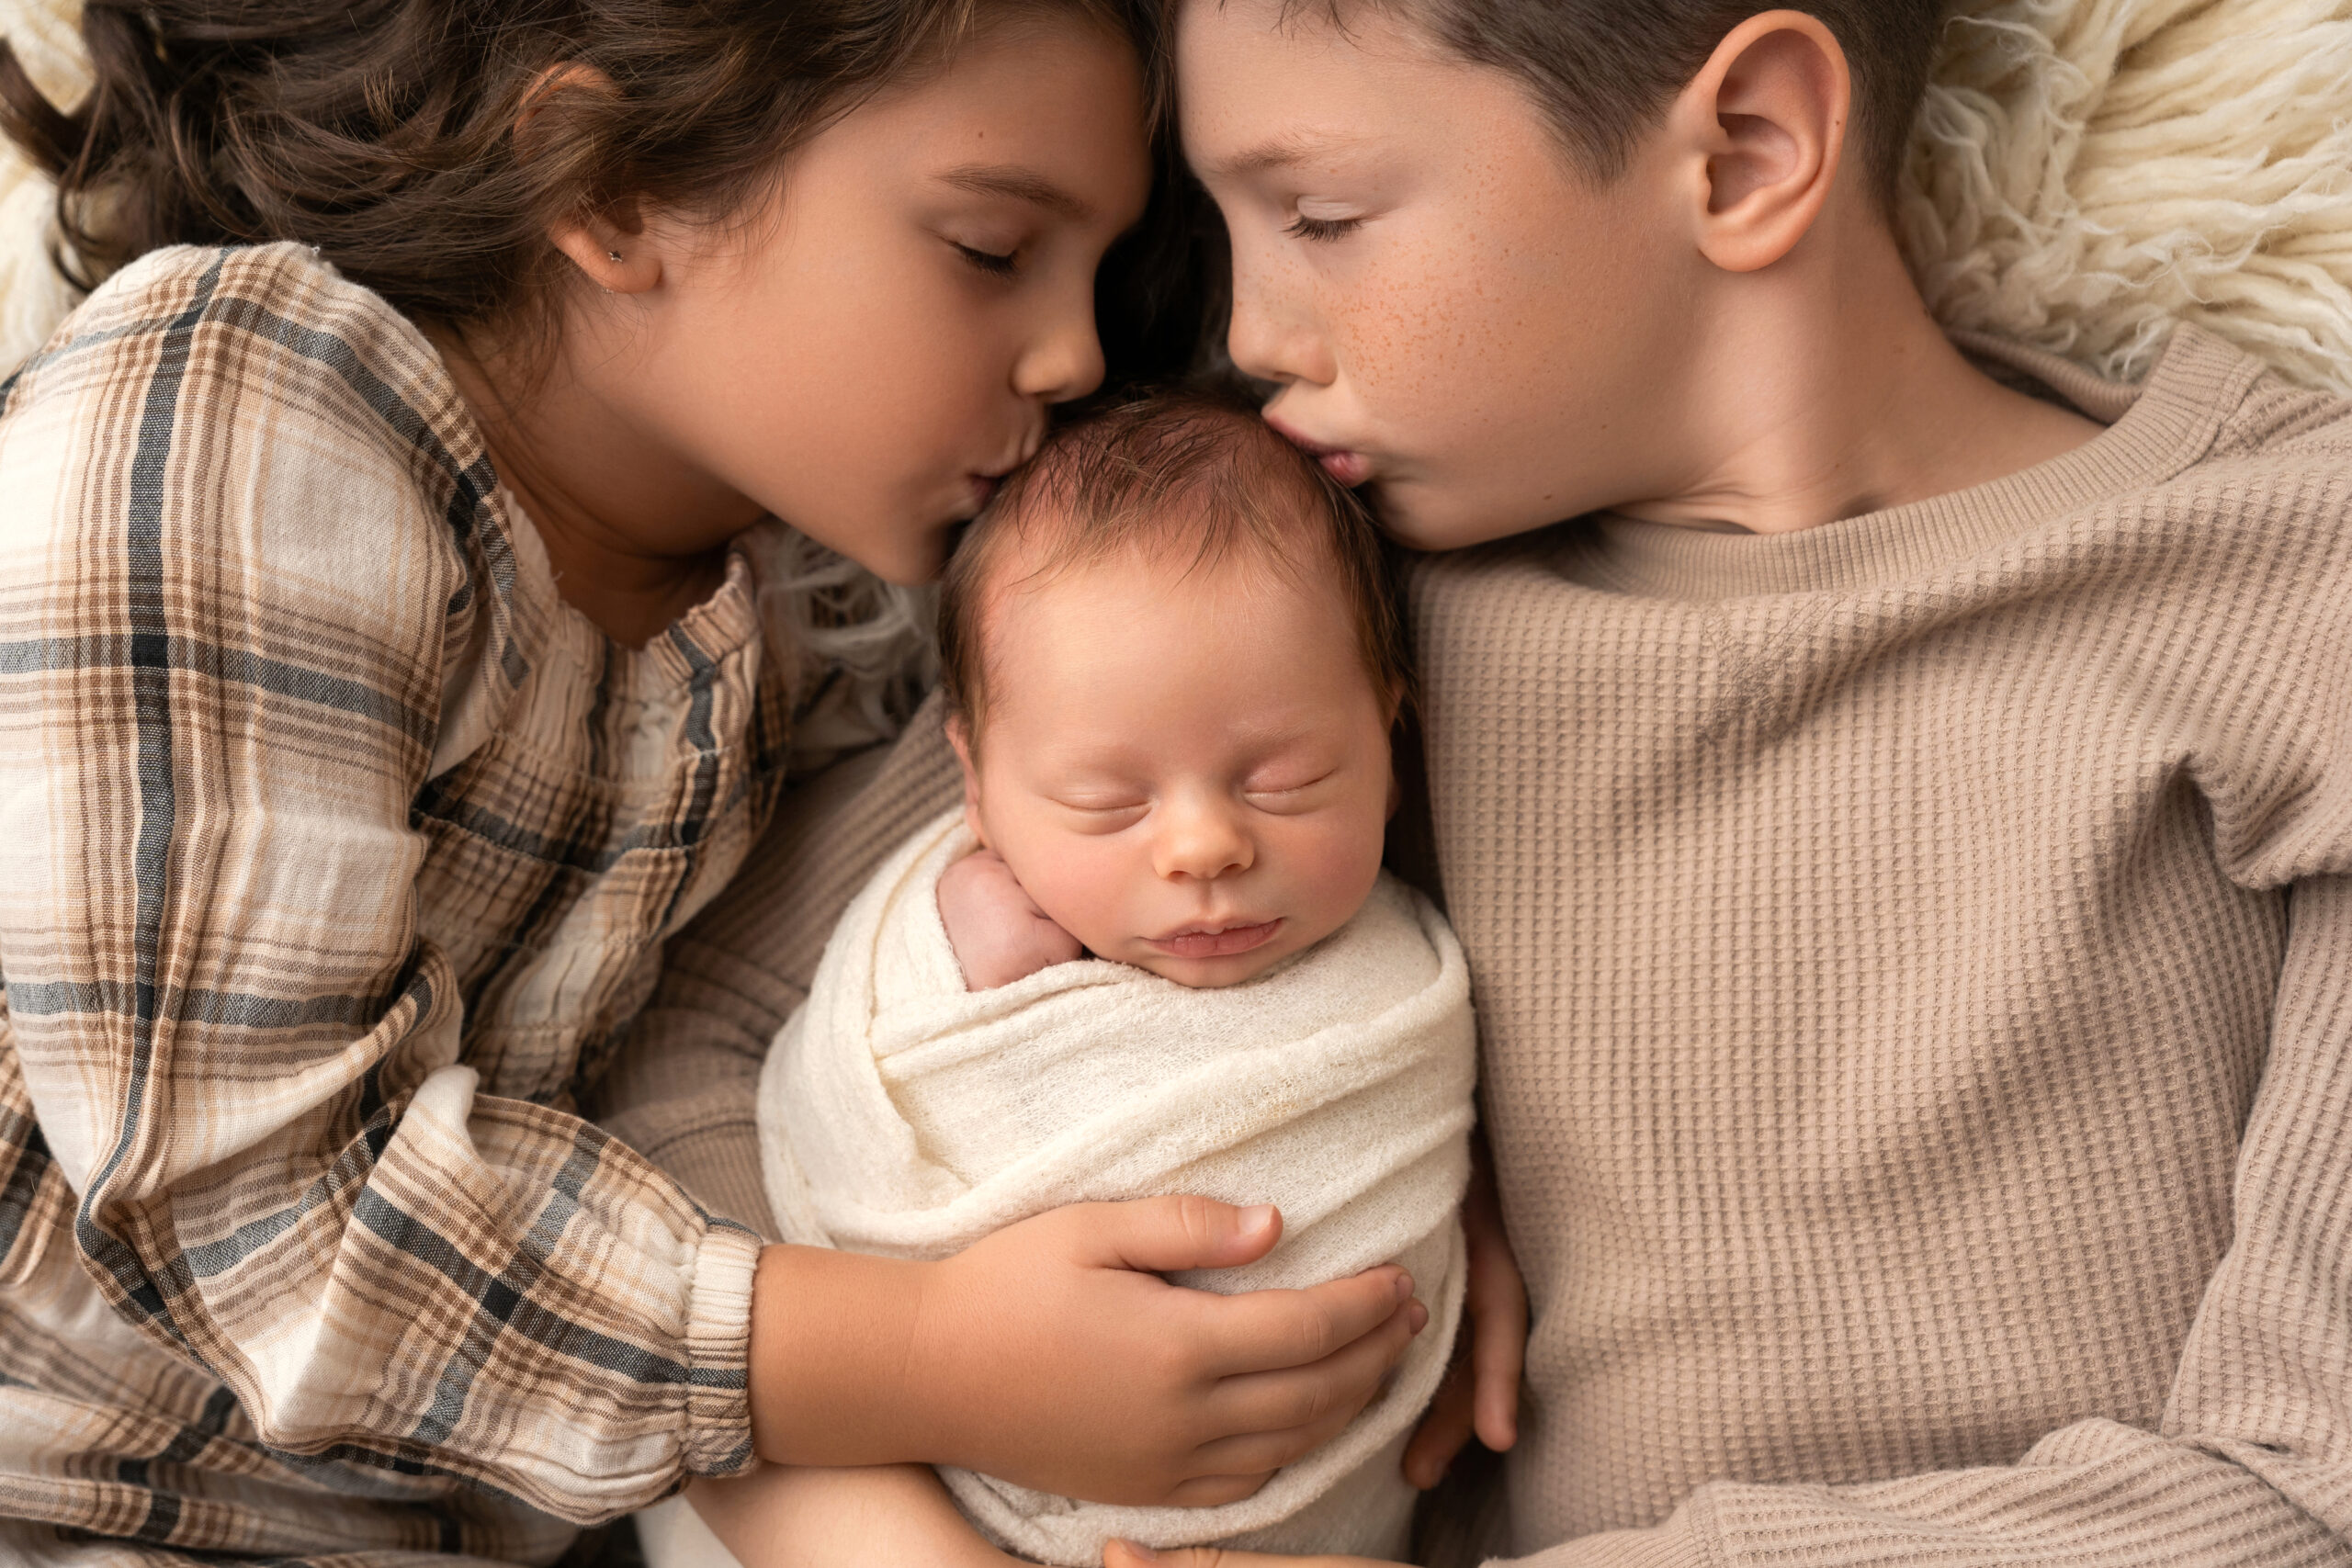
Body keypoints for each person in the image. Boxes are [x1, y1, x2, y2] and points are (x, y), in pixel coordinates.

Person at [606, 0, 2352, 1564]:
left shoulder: (2282, 567)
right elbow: (660, 1065)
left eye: (1322, 219)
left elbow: (2310, 1483)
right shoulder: (1291, 583)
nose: (1255, 333)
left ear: (1747, 153)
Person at [0, 2, 1432, 1559]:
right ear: (609, 187)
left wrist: (1383, 1183)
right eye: (988, 245)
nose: (1076, 350)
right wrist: (929, 1358)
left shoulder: (805, 604)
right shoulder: (240, 404)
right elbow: (265, 1221)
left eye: (1094, 270)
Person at [666, 395, 1476, 1568]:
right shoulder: (948, 942)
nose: (1202, 847)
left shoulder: (1402, 967)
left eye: (1290, 779)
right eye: (1107, 803)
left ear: (1391, 743)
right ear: (979, 788)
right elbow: (833, 1135)